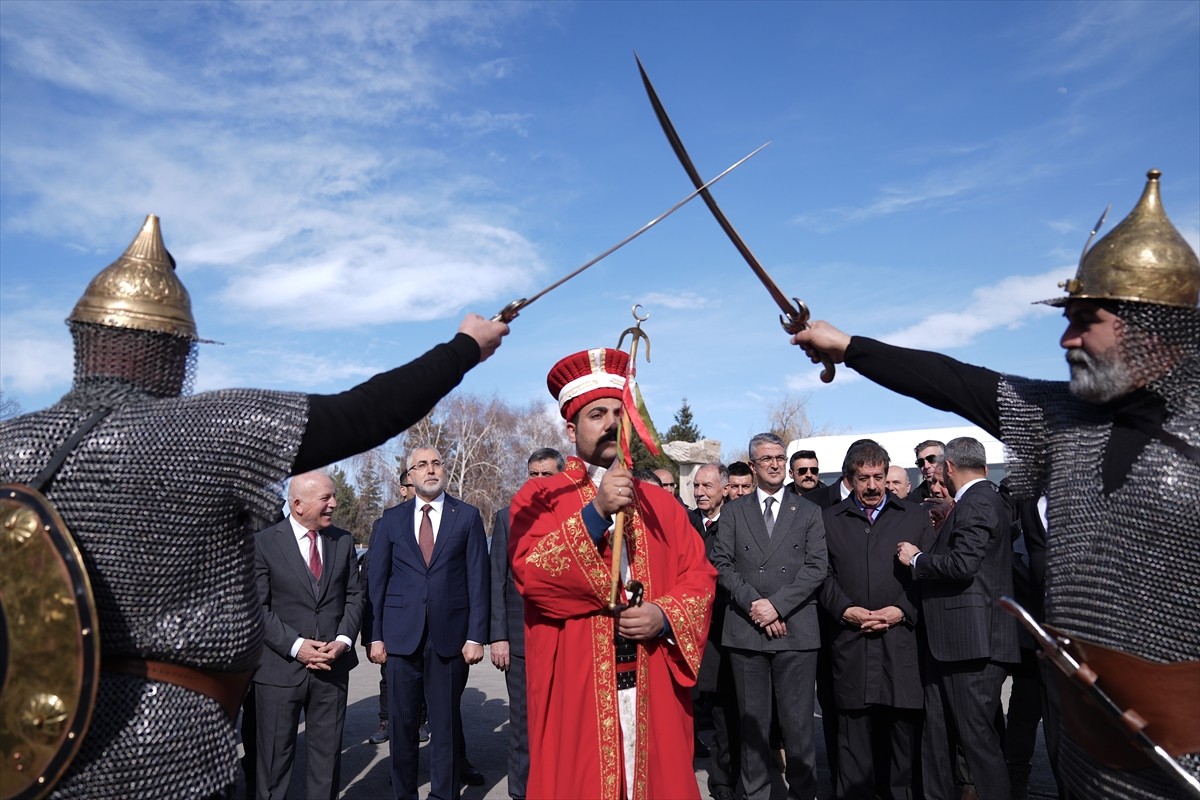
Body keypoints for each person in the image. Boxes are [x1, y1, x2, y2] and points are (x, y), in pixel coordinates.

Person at [0, 215, 507, 799]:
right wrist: (464, 348)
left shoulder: (14, 447)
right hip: (171, 742)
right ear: (177, 350)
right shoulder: (209, 431)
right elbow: (364, 413)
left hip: (33, 742)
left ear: (82, 340)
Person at [795, 170, 1200, 799]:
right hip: (1088, 745)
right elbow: (955, 381)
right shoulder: (1065, 420)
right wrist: (847, 347)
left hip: (1183, 754)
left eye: (1084, 321)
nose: (1065, 339)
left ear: (1149, 326)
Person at [509, 347, 716, 800]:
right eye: (595, 414)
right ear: (571, 428)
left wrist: (662, 615)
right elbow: (534, 576)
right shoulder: (539, 496)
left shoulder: (662, 503)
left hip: (652, 682)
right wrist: (598, 510)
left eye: (617, 413)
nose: (608, 423)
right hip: (578, 688)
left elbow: (699, 577)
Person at [896, 438, 1018, 800]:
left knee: (977, 741)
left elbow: (963, 565)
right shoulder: (975, 502)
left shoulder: (979, 501)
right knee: (937, 737)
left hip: (973, 646)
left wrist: (917, 559)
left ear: (949, 467)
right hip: (952, 645)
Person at [710, 432, 828, 800]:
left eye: (780, 457)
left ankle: (803, 794)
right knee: (753, 729)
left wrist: (777, 605)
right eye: (767, 459)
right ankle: (756, 794)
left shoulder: (808, 510)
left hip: (797, 631)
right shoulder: (733, 512)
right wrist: (755, 605)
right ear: (752, 466)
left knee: (799, 731)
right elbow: (722, 563)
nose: (776, 464)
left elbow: (816, 566)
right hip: (746, 633)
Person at [367, 447, 489, 800]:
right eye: (421, 465)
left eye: (436, 463)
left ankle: (443, 795)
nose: (430, 470)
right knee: (402, 728)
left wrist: (476, 635)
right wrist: (375, 636)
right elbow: (378, 581)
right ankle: (404, 794)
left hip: (450, 638)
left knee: (445, 726)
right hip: (400, 640)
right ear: (410, 476)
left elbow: (477, 579)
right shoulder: (391, 520)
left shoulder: (466, 516)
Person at [820, 442, 933, 800]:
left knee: (902, 744)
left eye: (878, 477)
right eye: (863, 478)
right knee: (853, 744)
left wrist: (903, 609)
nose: (872, 486)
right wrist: (844, 609)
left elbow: (930, 574)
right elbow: (820, 575)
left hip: (900, 646)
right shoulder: (829, 519)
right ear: (849, 479)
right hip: (850, 644)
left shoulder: (913, 516)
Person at [252, 471, 363, 800]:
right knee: (273, 766)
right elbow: (257, 607)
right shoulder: (264, 542)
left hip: (332, 669)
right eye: (326, 498)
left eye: (333, 497)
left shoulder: (342, 541)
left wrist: (343, 641)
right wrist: (297, 646)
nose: (334, 503)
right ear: (298, 505)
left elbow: (355, 597)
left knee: (326, 765)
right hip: (278, 673)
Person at [489, 448, 565, 800]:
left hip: (568, 639)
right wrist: (498, 637)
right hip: (520, 641)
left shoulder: (580, 515)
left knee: (565, 721)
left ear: (561, 477)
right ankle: (522, 791)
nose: (537, 481)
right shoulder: (507, 518)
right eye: (532, 474)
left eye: (545, 474)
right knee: (522, 723)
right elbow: (497, 581)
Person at [364, 472, 418, 747]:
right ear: (402, 489)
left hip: (427, 614)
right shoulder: (386, 522)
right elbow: (375, 570)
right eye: (412, 484)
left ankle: (421, 721)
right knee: (391, 674)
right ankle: (387, 720)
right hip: (395, 614)